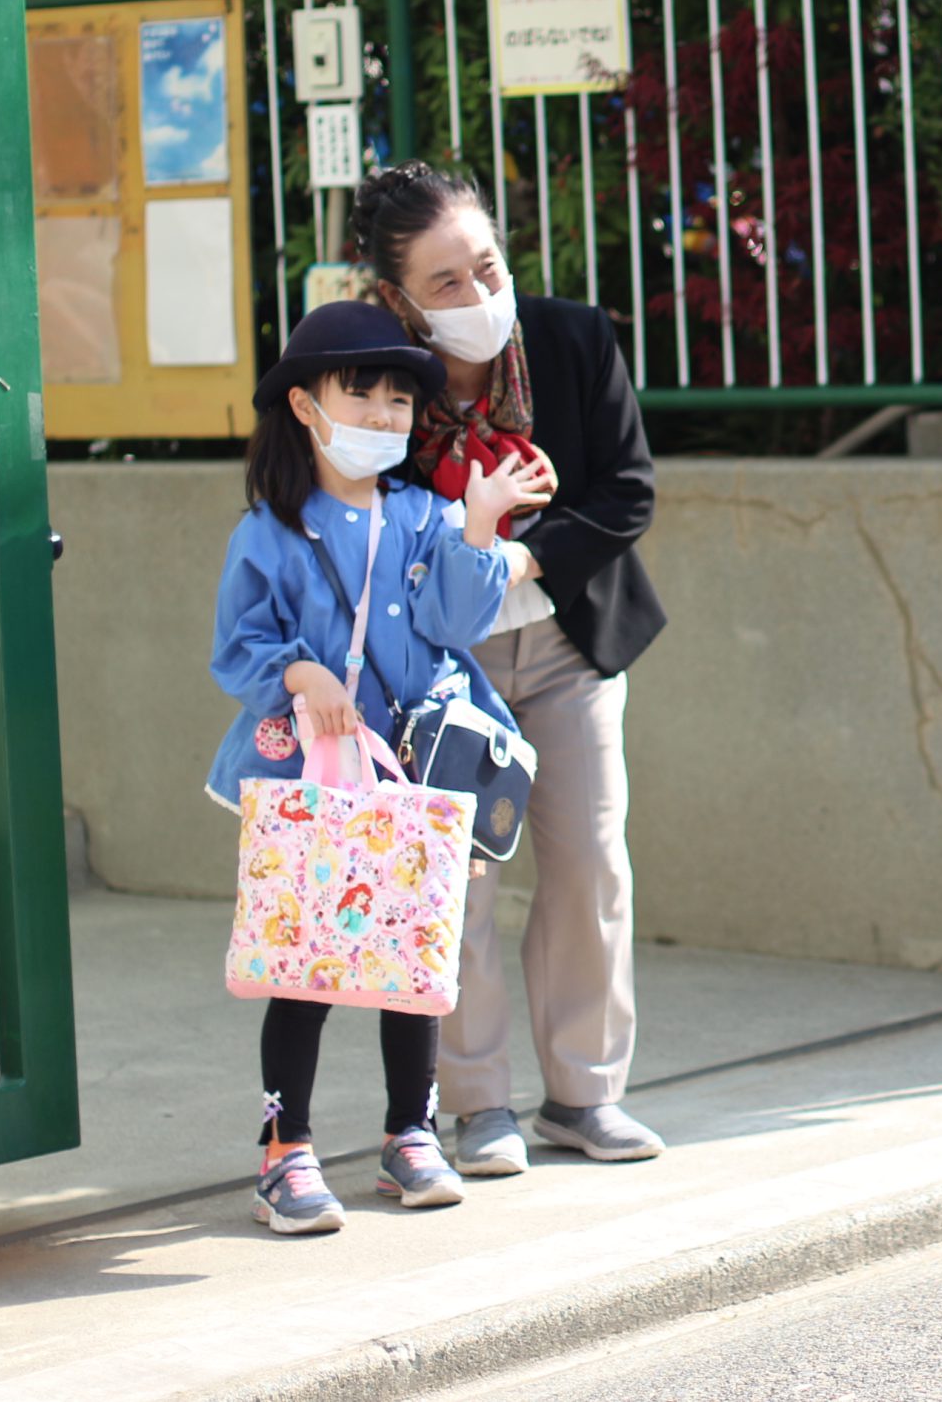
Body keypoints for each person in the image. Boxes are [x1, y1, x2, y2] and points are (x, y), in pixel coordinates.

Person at [352, 160, 671, 1173]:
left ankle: (584, 1095)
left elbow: (626, 492)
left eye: (486, 269)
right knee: (459, 880)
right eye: (446, 285)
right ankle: (474, 1103)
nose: (479, 299)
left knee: (589, 863)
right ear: (395, 299)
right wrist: (465, 543)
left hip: (571, 644)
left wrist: (522, 553)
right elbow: (356, 513)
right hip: (443, 661)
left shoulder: (573, 339)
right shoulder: (372, 375)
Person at [207, 297, 547, 1234]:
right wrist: (298, 668)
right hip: (315, 781)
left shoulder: (427, 513)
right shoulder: (268, 530)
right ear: (305, 408)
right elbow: (236, 650)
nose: (385, 415)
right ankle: (287, 1148)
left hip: (413, 776)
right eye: (360, 394)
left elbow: (452, 624)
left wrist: (479, 527)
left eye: (400, 399)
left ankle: (411, 1131)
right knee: (305, 964)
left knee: (411, 959)